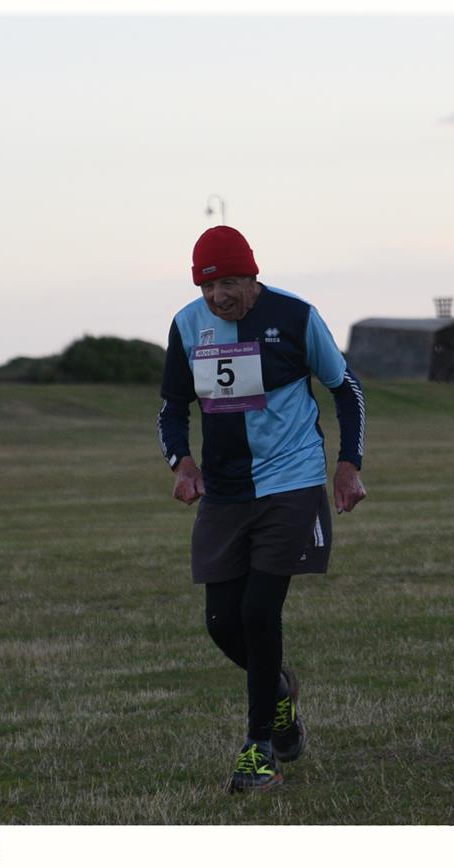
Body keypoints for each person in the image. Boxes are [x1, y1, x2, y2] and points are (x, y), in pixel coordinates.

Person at [157, 225, 367, 793]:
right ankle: (278, 695)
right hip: (225, 494)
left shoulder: (296, 316)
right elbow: (172, 407)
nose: (219, 297)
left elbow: (344, 389)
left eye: (228, 283)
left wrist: (349, 464)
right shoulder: (186, 326)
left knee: (258, 611)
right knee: (222, 623)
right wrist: (182, 463)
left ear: (252, 275)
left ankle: (260, 748)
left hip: (291, 483)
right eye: (207, 287)